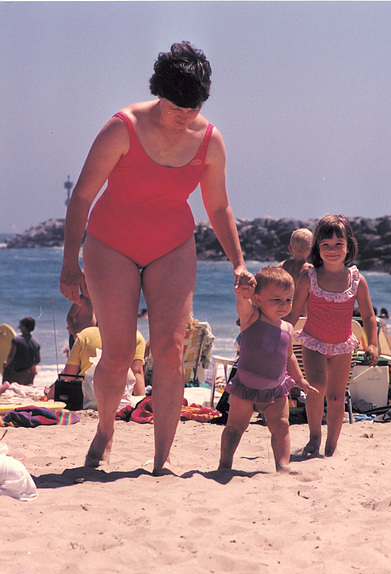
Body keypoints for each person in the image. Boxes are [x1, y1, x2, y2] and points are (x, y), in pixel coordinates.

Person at [59, 41, 254, 474]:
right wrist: (71, 262)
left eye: (194, 104)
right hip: (111, 245)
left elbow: (218, 207)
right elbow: (83, 197)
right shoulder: (122, 127)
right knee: (119, 350)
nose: (185, 113)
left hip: (172, 246)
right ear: (159, 92)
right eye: (176, 105)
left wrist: (238, 262)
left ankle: (161, 459)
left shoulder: (209, 140)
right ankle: (106, 428)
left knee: (170, 348)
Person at [286, 214, 378, 458]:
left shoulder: (357, 280)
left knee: (337, 397)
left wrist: (373, 345)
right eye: (326, 245)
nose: (333, 250)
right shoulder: (309, 278)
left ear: (349, 245)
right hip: (313, 342)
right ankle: (315, 436)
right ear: (317, 248)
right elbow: (294, 313)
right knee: (316, 388)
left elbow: (368, 317)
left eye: (338, 244)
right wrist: (279, 333)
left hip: (342, 346)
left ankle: (332, 444)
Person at [218, 267, 317, 473]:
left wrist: (300, 380)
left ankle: (282, 465)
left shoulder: (288, 328)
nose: (284, 305)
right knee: (235, 428)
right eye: (276, 300)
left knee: (281, 426)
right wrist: (242, 296)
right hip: (245, 387)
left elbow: (289, 356)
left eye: (288, 300)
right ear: (259, 300)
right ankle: (225, 463)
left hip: (276, 388)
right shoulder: (251, 318)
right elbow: (243, 306)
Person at [46, 326, 146, 398]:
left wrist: (50, 394)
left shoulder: (86, 334)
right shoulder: (136, 336)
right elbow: (136, 372)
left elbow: (69, 375)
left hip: (86, 397)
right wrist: (141, 400)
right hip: (120, 397)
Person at [3, 317, 41, 385]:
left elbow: (11, 356)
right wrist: (29, 365)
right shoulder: (36, 342)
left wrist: (6, 364)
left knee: (7, 368)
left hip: (18, 373)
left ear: (23, 327)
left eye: (20, 326)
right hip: (31, 373)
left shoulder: (16, 340)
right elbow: (38, 360)